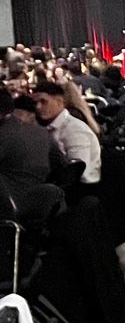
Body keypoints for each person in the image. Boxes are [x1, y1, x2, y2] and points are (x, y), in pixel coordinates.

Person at [0, 92, 65, 225]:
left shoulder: (4, 134)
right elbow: (62, 165)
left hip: (11, 209)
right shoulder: (42, 133)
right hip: (46, 204)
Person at [33, 80, 100, 184]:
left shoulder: (74, 130)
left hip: (80, 189)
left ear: (59, 102)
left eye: (43, 102)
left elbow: (79, 172)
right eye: (35, 103)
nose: (38, 107)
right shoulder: (43, 126)